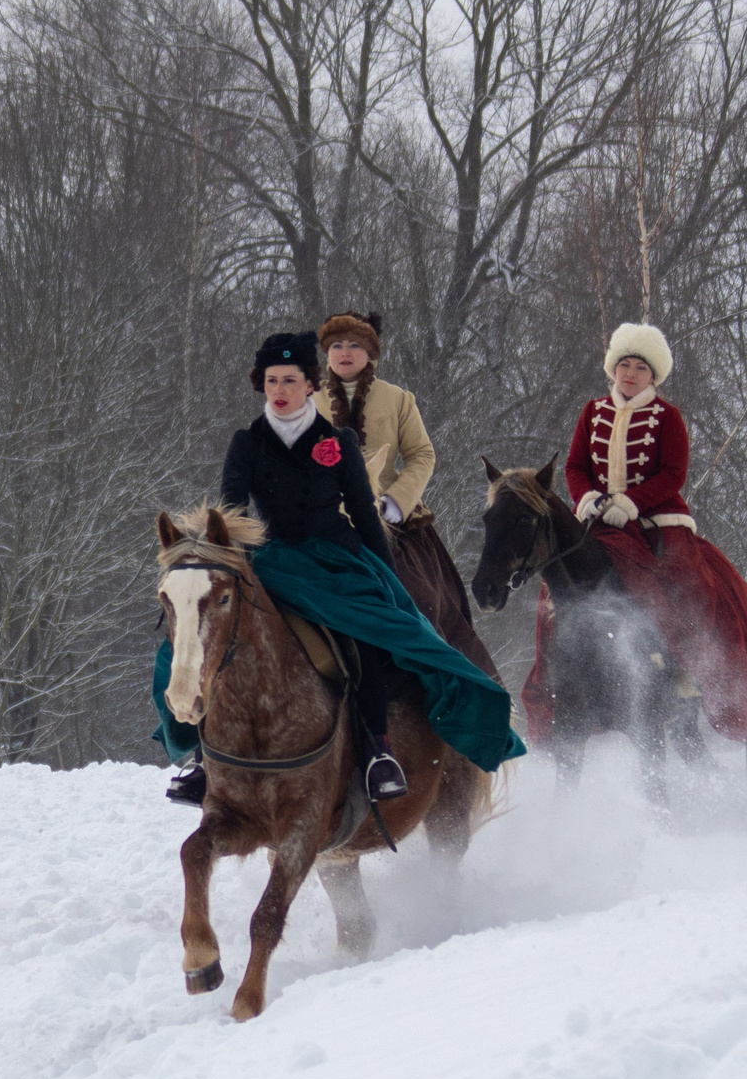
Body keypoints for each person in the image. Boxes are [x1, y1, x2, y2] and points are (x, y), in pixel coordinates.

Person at [158, 332, 523, 806]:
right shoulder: (247, 443)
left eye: (291, 380)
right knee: (209, 640)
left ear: (311, 384)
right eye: (272, 381)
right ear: (261, 385)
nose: (280, 390)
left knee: (367, 642)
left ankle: (378, 752)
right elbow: (231, 514)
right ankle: (207, 760)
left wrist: (389, 580)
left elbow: (366, 516)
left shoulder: (337, 441)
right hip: (270, 561)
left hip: (335, 559)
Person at [531, 322, 747, 743]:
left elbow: (674, 473)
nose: (630, 373)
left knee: (689, 586)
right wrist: (587, 498)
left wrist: (632, 503)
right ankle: (558, 681)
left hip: (656, 522)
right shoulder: (592, 411)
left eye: (639, 367)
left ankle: (684, 671)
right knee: (554, 589)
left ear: (653, 375)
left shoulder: (668, 417)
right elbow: (574, 466)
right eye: (623, 364)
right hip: (598, 521)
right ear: (613, 369)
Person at [314, 312, 501, 681]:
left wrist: (395, 502)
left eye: (354, 344)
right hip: (324, 520)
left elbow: (422, 454)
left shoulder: (398, 399)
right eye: (336, 345)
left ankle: (441, 686)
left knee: (426, 598)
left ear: (371, 352)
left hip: (391, 520)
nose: (345, 352)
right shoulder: (308, 400)